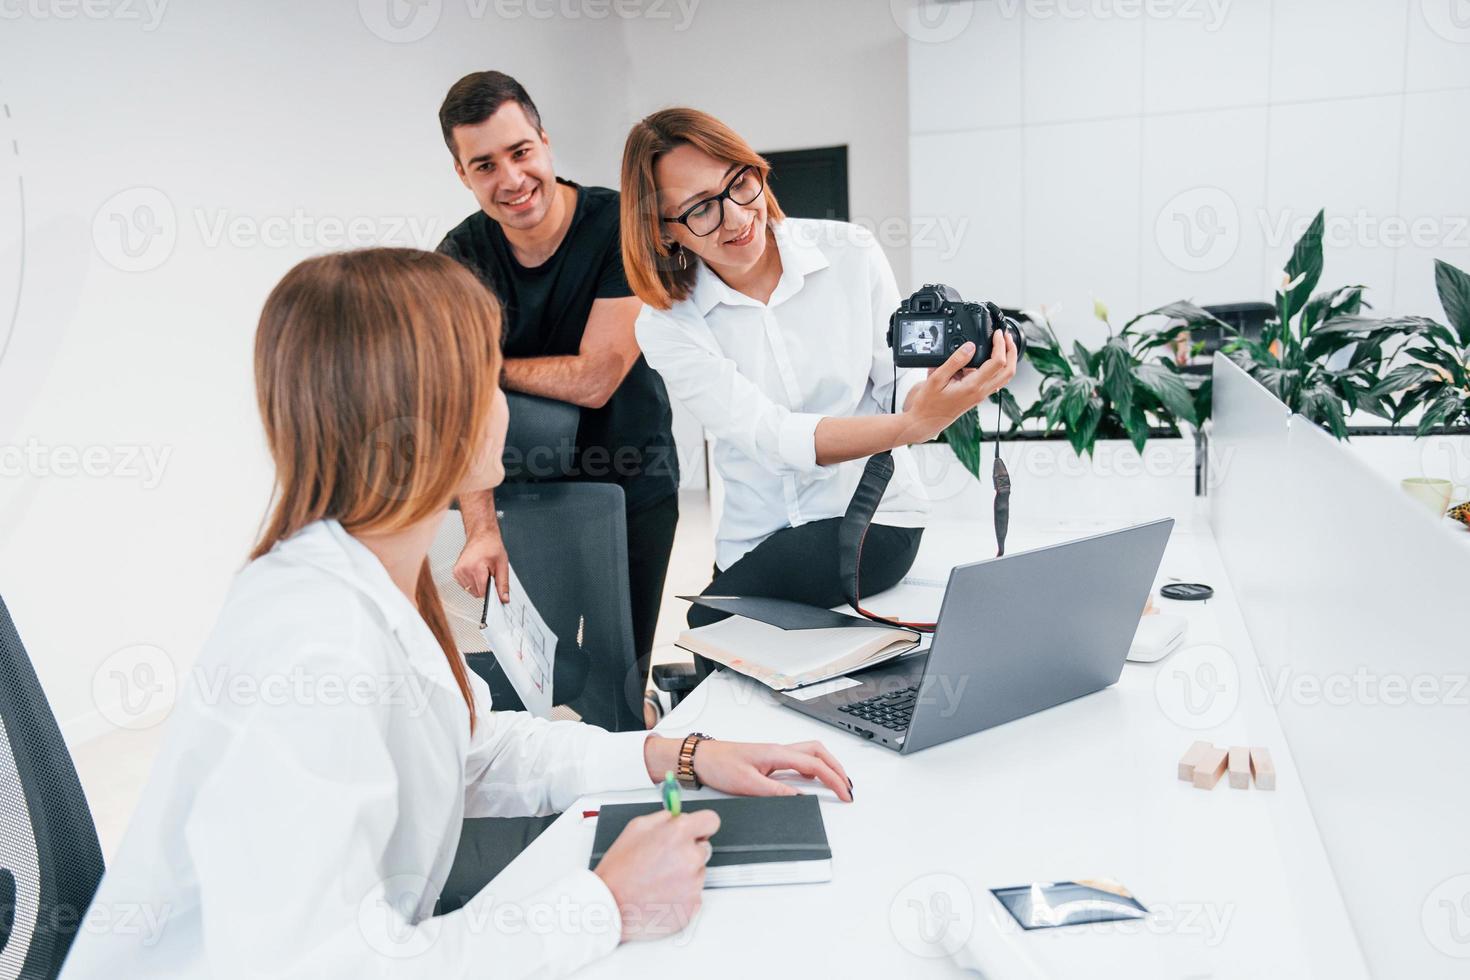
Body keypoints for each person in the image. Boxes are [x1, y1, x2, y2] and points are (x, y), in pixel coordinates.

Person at [59, 249, 853, 979]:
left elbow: (476, 753)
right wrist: (604, 904)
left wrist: (675, 754)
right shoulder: (312, 648)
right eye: (484, 378)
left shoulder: (366, 577)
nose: (504, 406)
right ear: (428, 413)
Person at [620, 109, 1018, 629]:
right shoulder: (667, 323)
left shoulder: (851, 252)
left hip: (876, 520)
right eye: (700, 210)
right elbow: (769, 435)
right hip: (753, 539)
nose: (738, 218)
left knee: (709, 627)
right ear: (663, 230)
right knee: (723, 647)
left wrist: (939, 396)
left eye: (739, 184)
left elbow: (900, 388)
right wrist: (911, 426)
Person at [435, 71, 677, 717]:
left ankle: (638, 737)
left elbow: (598, 380)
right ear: (462, 174)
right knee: (532, 682)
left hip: (632, 482)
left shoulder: (617, 225)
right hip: (530, 496)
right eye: (484, 164)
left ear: (544, 140)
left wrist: (489, 366)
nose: (510, 180)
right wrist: (479, 528)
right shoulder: (460, 259)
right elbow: (462, 407)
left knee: (616, 689)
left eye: (520, 152)